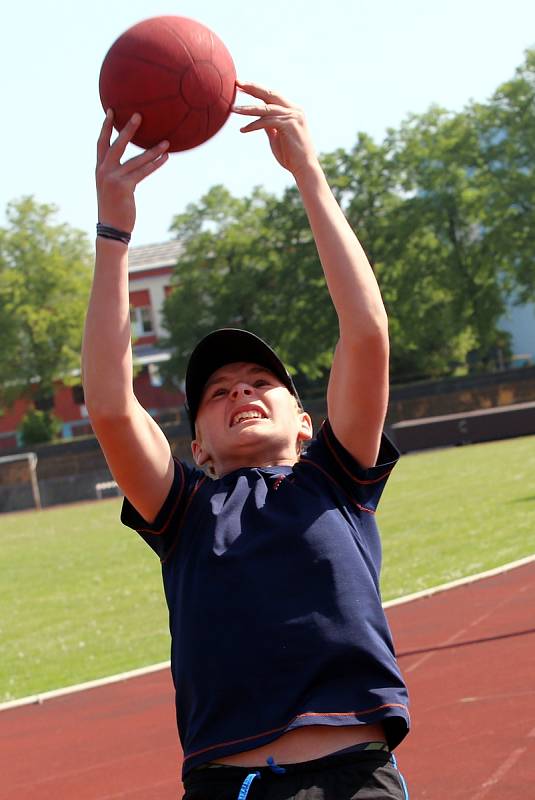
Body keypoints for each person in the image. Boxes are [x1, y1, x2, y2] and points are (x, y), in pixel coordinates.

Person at [82, 81, 410, 800]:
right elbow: (110, 404)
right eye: (216, 393)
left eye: (259, 382)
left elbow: (366, 332)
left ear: (305, 420)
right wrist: (114, 233)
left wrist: (307, 172)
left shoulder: (336, 477)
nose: (238, 393)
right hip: (232, 786)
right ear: (196, 445)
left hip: (355, 779)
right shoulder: (185, 510)